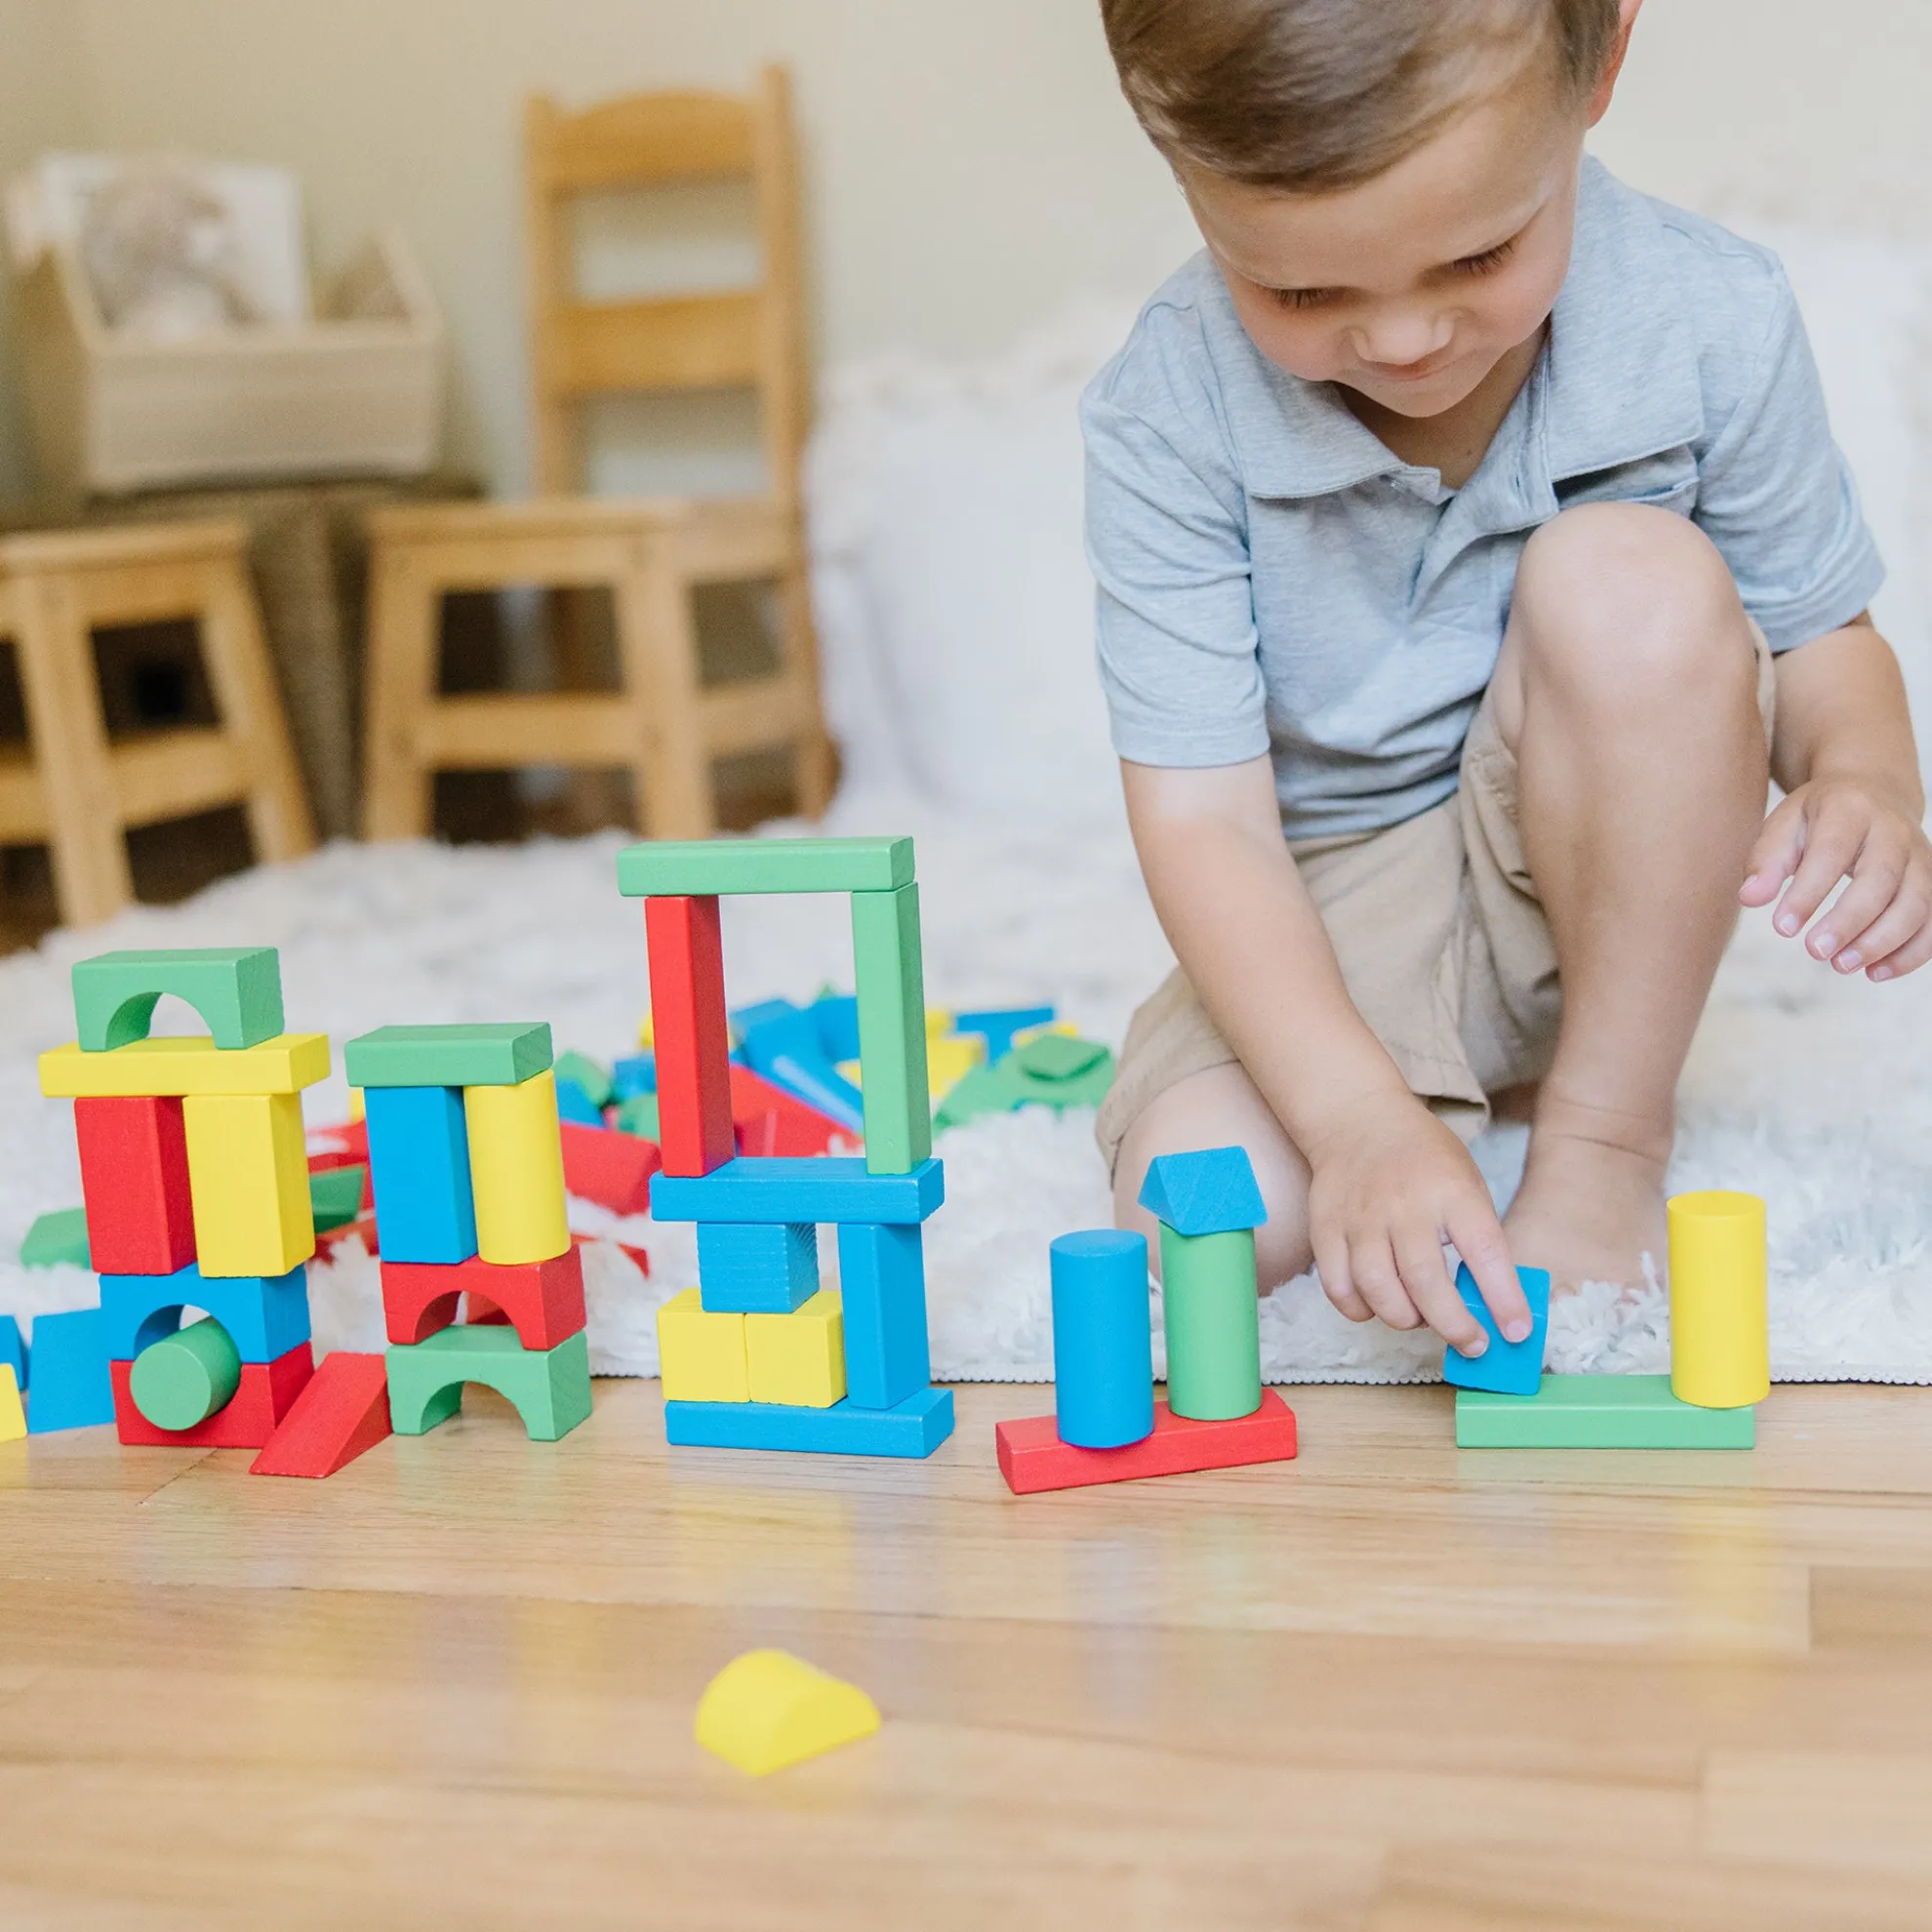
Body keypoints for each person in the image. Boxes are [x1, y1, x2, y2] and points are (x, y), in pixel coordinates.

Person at [1087, 0, 1929, 1358]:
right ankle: (1437, 1095)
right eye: (1302, 293)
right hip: (1329, 912)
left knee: (1631, 579)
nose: (1405, 340)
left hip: (1607, 884)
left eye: (1478, 255)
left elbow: (1825, 635)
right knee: (1200, 1219)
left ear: (1604, 61)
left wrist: (1870, 780)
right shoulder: (1168, 406)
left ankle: (1601, 1134)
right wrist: (1354, 1123)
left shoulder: (1710, 312)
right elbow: (1206, 825)